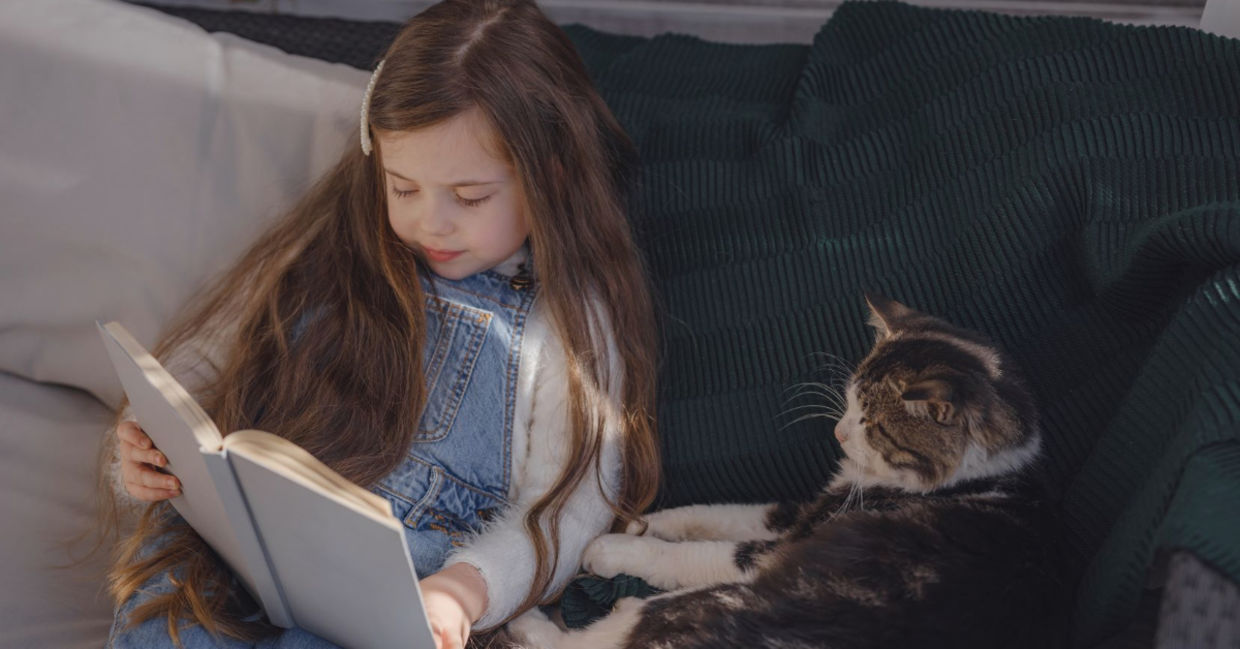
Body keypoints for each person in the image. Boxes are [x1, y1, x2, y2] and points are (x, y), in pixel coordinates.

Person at [100, 1, 659, 647]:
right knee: (160, 624)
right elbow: (197, 376)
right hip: (246, 554)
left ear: (551, 176)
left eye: (469, 197)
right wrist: (144, 451)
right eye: (402, 187)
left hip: (403, 593)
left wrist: (465, 589)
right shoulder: (340, 250)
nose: (431, 222)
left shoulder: (569, 322)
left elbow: (568, 509)